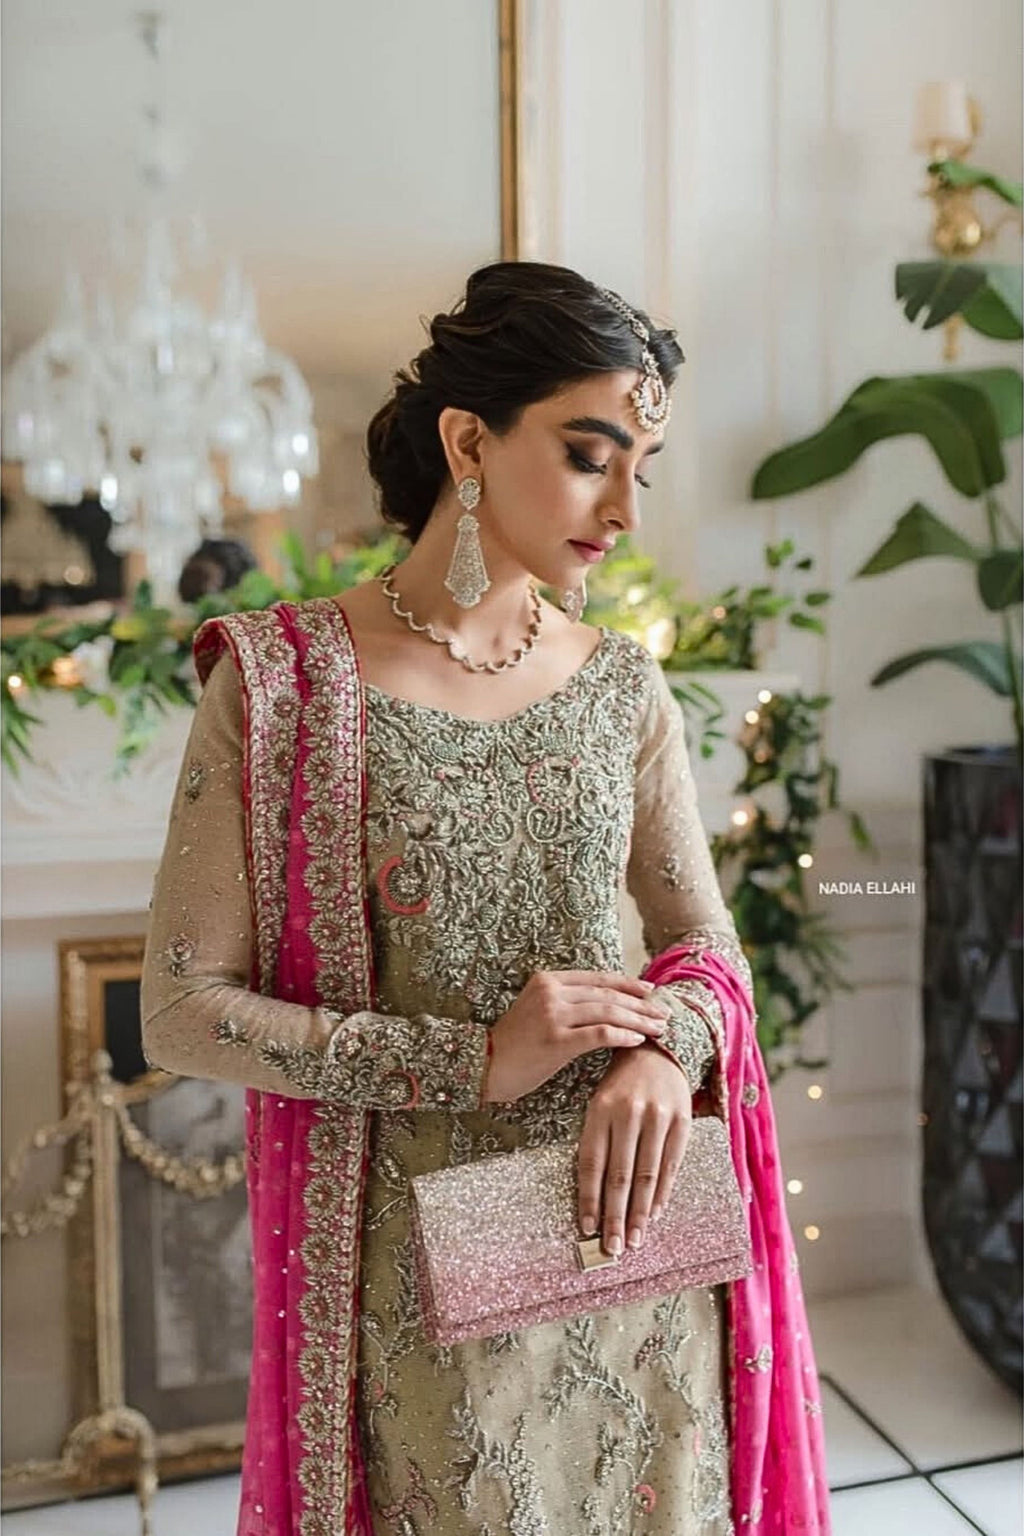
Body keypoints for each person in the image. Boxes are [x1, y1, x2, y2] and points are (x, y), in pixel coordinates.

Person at [141, 261, 831, 1536]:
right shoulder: (284, 685)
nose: (625, 507)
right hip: (415, 1289)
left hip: (634, 1238)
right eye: (589, 454)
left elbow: (701, 941)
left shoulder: (624, 687)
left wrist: (672, 1055)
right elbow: (182, 1014)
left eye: (642, 468)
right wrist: (472, 1062)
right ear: (468, 437)